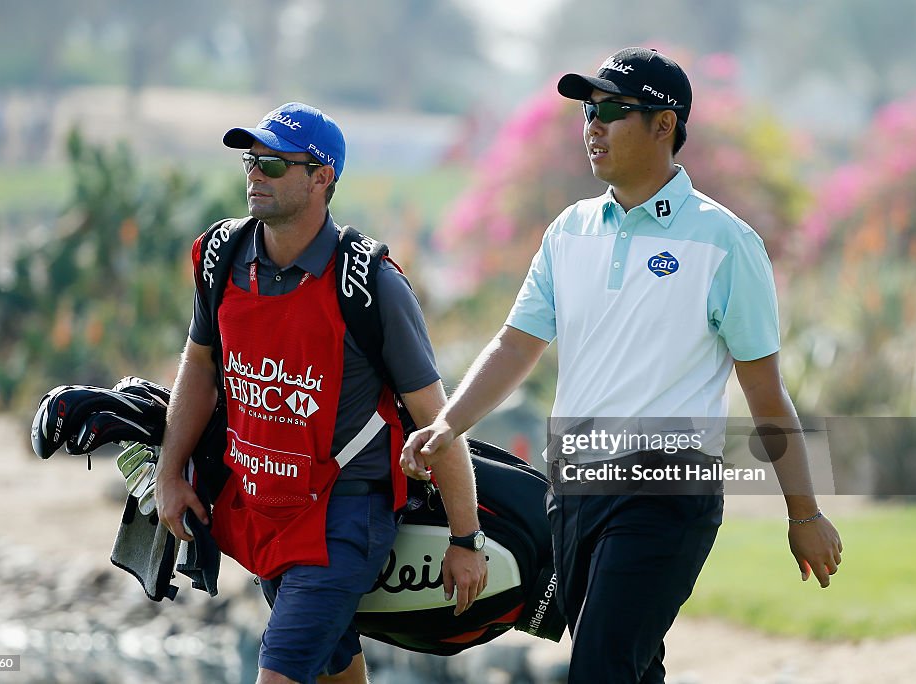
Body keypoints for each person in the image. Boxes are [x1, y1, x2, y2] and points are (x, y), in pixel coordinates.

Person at [401, 48, 844, 683]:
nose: (592, 126)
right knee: (631, 669)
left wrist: (803, 512)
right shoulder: (569, 230)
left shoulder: (725, 242)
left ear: (664, 125)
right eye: (588, 111)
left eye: (612, 109)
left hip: (667, 490)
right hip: (576, 488)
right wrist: (448, 426)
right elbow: (515, 345)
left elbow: (766, 393)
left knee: (602, 669)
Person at [155, 102, 488, 684]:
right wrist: (169, 473)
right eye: (250, 161)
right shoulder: (221, 258)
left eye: (274, 165)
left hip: (343, 517)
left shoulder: (372, 283)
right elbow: (200, 367)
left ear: (321, 177)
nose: (256, 174)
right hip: (263, 509)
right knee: (338, 675)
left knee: (279, 673)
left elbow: (438, 420)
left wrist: (466, 537)